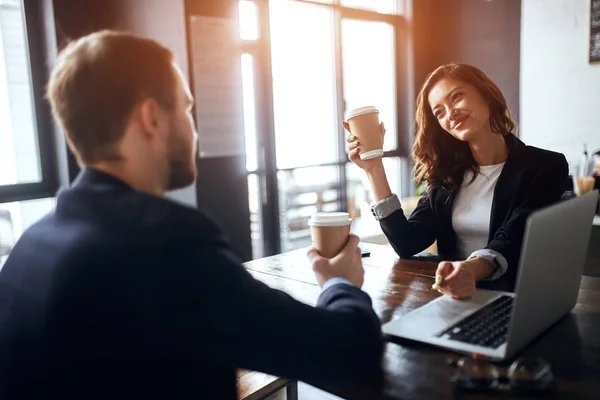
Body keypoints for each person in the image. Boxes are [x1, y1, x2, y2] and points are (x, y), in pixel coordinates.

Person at [0, 31, 382, 399]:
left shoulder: (28, 249)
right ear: (151, 117)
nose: (192, 126)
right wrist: (340, 284)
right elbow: (352, 352)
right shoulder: (164, 240)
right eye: (186, 107)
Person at [345, 63, 568, 299]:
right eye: (439, 112)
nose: (450, 113)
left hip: (518, 298)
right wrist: (374, 168)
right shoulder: (447, 176)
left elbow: (514, 237)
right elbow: (406, 242)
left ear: (485, 93)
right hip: (456, 297)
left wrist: (469, 270)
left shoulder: (545, 166)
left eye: (457, 97)